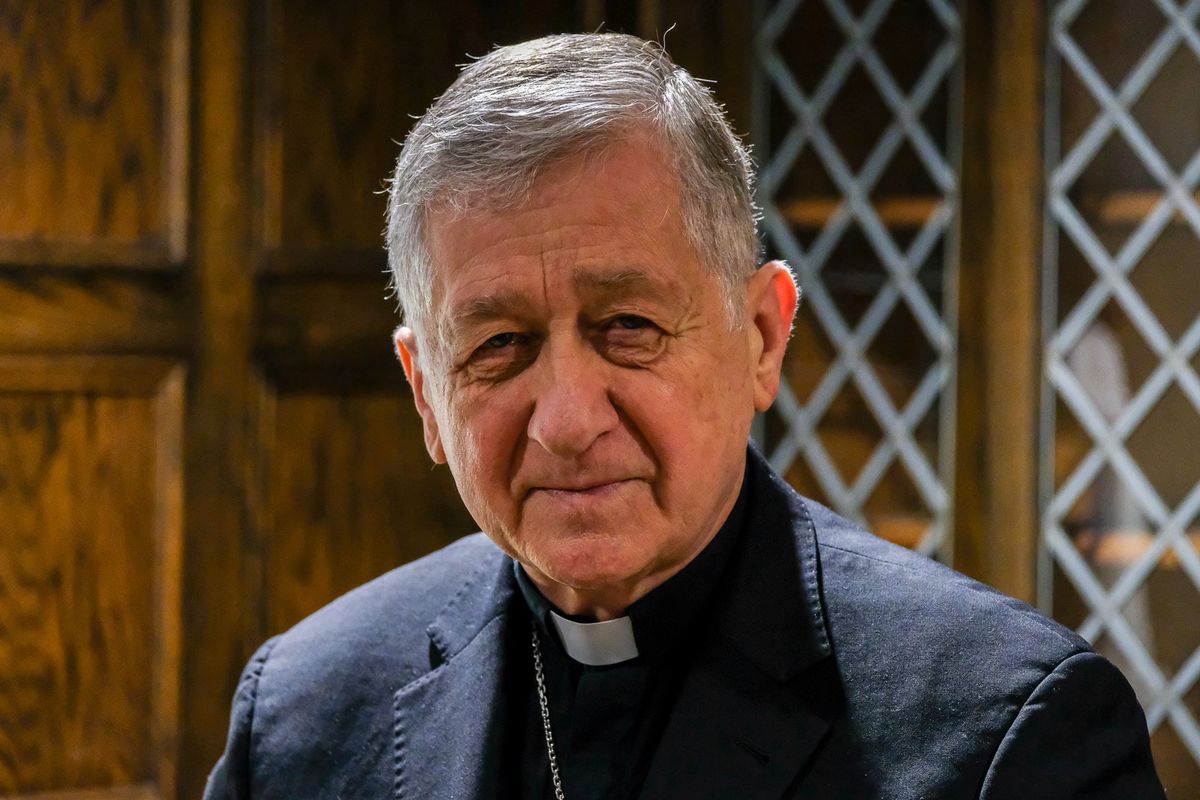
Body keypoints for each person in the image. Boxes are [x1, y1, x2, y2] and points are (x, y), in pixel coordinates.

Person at [204, 33, 1164, 799]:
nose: (568, 421)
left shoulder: (1010, 735)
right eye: (498, 345)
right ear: (426, 393)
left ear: (760, 338)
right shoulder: (301, 713)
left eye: (628, 326)